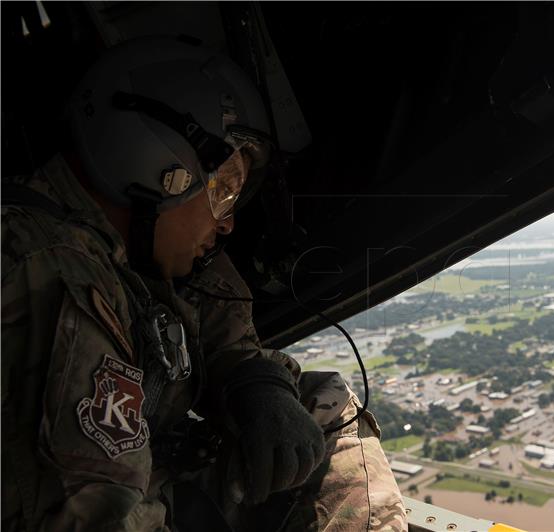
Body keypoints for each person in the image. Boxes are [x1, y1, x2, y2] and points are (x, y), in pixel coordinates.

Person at [1, 36, 405, 531]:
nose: (228, 223)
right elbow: (98, 509)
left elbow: (209, 313)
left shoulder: (121, 251)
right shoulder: (52, 269)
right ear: (153, 165)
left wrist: (256, 380)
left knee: (328, 408)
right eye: (223, 190)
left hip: (159, 484)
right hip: (125, 506)